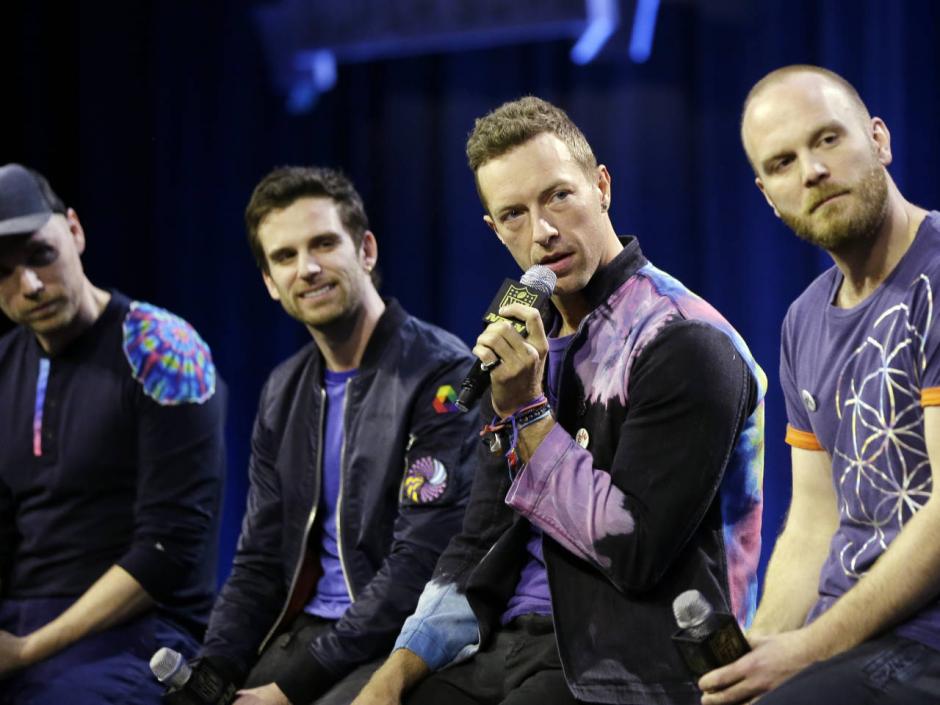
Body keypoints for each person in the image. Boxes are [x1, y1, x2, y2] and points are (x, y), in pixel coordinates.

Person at [352, 96, 766, 705]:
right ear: (494, 229)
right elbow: (480, 539)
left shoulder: (683, 339)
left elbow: (634, 552)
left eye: (558, 196)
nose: (542, 231)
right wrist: (395, 672)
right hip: (504, 646)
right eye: (514, 214)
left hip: (630, 664)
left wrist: (528, 413)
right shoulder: (524, 342)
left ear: (602, 187)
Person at [698, 65, 940, 704]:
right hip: (847, 642)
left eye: (828, 139)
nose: (812, 171)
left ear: (879, 139)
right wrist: (757, 652)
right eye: (783, 163)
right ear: (768, 195)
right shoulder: (803, 321)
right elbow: (812, 523)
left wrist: (807, 649)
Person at [197, 166, 478, 705]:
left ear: (365, 250)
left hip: (401, 641)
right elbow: (258, 561)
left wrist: (288, 689)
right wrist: (212, 670)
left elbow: (420, 562)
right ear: (270, 282)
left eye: (324, 244)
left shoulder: (442, 374)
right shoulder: (282, 390)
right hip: (306, 633)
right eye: (285, 256)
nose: (307, 268)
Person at [0, 163, 226, 704]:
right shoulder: (5, 364)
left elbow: (168, 550)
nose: (29, 285)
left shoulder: (161, 349)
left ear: (75, 231)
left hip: (140, 632)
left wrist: (26, 651)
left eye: (40, 255)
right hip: (24, 616)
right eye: (2, 272)